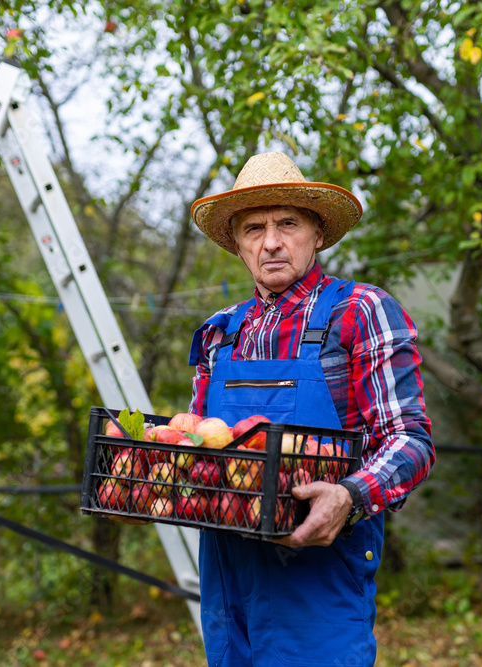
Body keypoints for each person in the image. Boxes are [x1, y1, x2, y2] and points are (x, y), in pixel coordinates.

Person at [187, 152, 435, 667]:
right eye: (254, 228)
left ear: (317, 232)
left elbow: (411, 439)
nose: (271, 242)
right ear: (236, 243)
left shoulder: (359, 312)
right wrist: (156, 490)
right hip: (228, 577)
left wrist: (348, 496)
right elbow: (197, 446)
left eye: (287, 224)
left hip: (318, 572)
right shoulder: (219, 332)